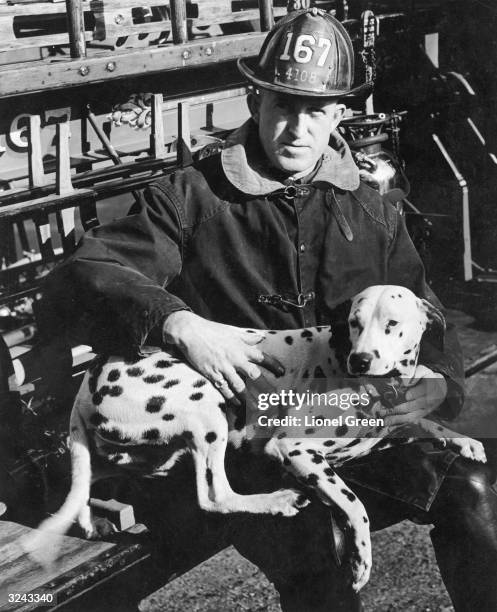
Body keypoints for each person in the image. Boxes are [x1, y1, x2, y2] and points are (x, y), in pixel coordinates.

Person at [37, 9, 497, 611]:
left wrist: (439, 384)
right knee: (314, 540)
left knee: (474, 487)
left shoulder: (372, 207)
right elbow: (86, 272)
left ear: (339, 114)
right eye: (283, 105)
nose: (298, 129)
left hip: (346, 422)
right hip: (246, 441)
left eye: (316, 110)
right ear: (255, 101)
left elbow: (421, 304)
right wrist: (182, 323)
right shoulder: (189, 196)